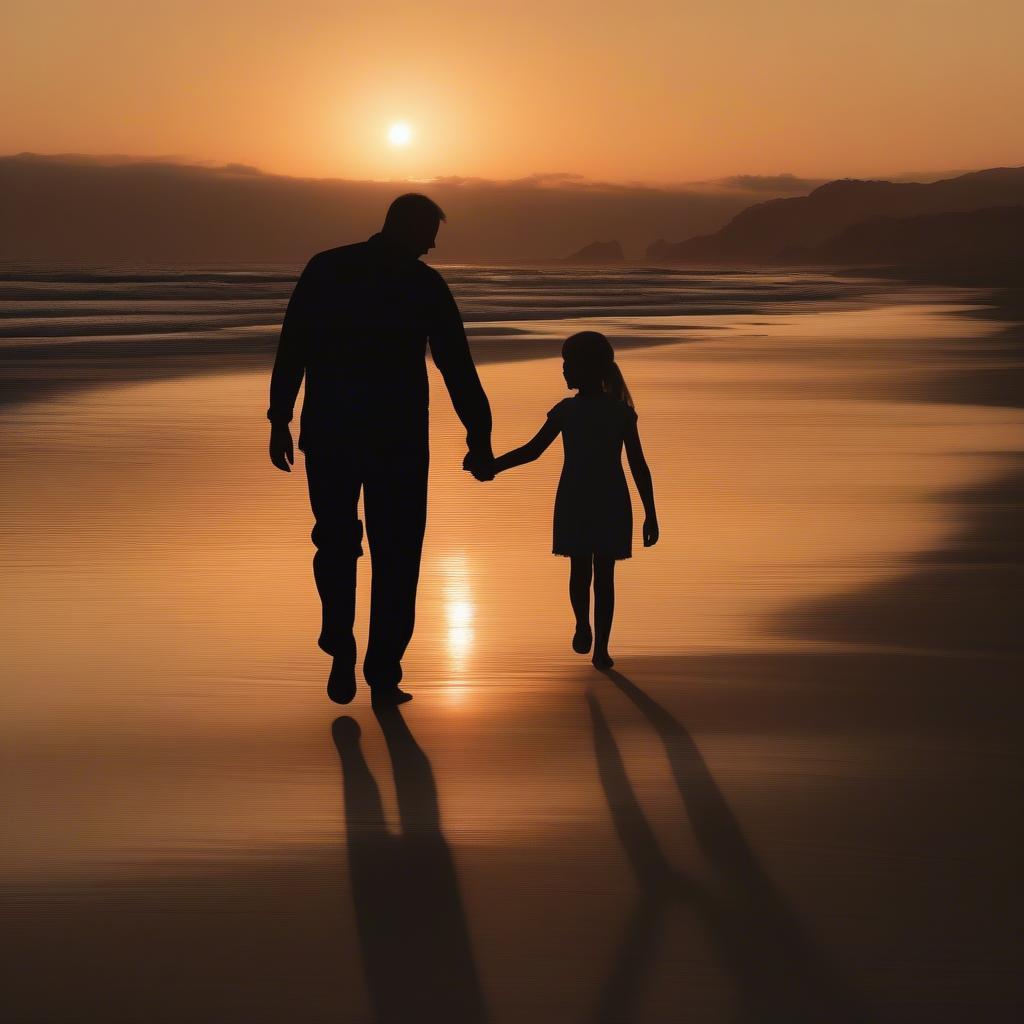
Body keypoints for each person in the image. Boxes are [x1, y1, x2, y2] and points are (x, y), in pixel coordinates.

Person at [268, 194, 494, 706]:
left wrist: (280, 416)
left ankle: (339, 639)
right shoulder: (422, 285)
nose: (434, 245)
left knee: (335, 540)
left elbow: (293, 344)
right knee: (397, 552)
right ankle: (383, 671)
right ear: (409, 228)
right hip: (398, 437)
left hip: (330, 430)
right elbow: (456, 365)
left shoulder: (327, 268)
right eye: (429, 234)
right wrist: (478, 435)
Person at [490, 331, 658, 668]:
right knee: (588, 570)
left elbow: (639, 464)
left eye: (568, 364)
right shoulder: (574, 411)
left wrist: (651, 514)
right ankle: (584, 625)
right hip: (593, 497)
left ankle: (600, 645)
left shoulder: (613, 413)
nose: (564, 371)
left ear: (587, 368)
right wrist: (493, 466)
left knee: (594, 571)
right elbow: (532, 451)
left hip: (591, 497)